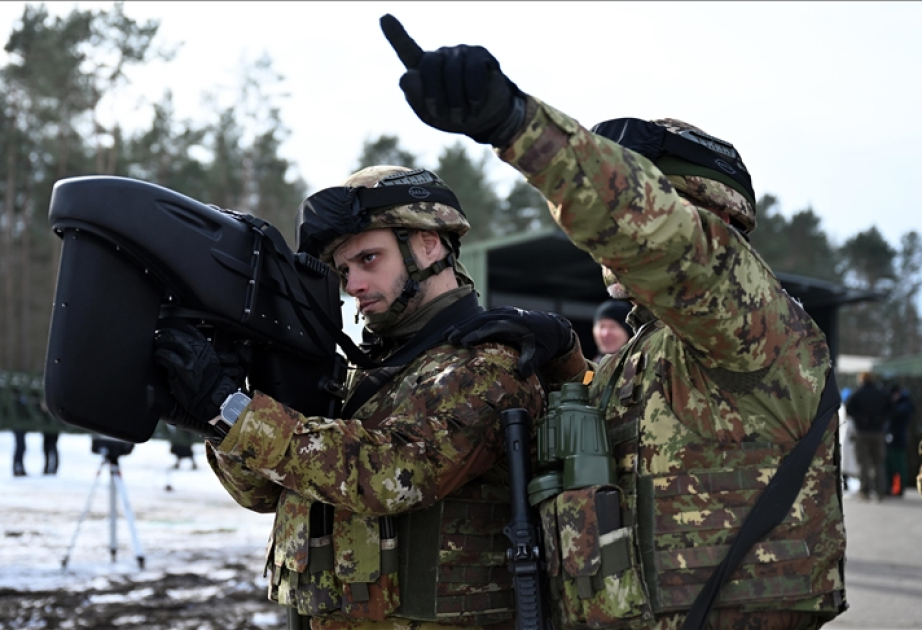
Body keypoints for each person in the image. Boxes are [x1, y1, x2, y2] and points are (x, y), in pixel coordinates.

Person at [381, 15, 846, 629]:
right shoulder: (648, 352)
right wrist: (567, 361)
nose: (605, 245)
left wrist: (516, 124)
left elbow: (661, 237)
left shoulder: (754, 325)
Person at [153, 165, 585, 629]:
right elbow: (263, 493)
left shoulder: (487, 365)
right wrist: (218, 419)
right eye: (343, 270)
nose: (352, 284)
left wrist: (237, 414)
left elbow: (397, 475)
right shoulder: (360, 374)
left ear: (428, 244)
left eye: (369, 259)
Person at [845, 371, 890, 501]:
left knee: (863, 463)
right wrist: (881, 419)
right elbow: (891, 409)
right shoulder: (881, 394)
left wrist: (861, 419)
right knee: (878, 462)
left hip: (862, 432)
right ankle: (880, 491)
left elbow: (848, 409)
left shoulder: (857, 394)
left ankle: (864, 491)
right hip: (878, 432)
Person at [885, 384, 914, 497]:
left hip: (899, 440)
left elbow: (899, 414)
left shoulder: (905, 405)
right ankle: (890, 488)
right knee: (889, 466)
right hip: (890, 439)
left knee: (899, 466)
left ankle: (899, 489)